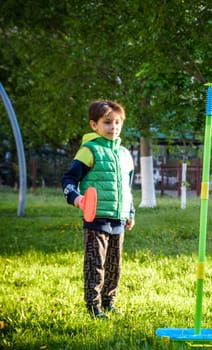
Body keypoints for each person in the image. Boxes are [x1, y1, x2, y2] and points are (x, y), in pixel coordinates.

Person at [61, 99, 135, 319]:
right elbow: (68, 180)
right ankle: (93, 307)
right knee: (96, 264)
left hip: (118, 219)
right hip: (96, 218)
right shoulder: (88, 151)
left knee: (115, 266)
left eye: (118, 122)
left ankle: (109, 303)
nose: (114, 127)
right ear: (94, 125)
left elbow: (127, 187)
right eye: (107, 122)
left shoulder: (124, 154)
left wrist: (130, 212)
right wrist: (76, 199)